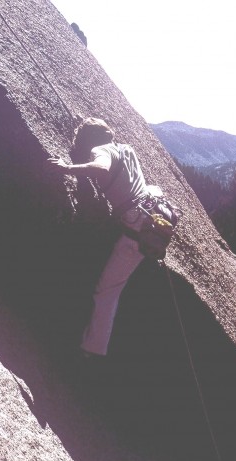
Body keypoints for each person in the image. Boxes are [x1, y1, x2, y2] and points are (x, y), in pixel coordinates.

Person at [48, 117, 157, 357]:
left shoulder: (100, 150)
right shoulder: (127, 149)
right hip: (151, 214)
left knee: (106, 291)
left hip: (135, 228)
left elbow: (101, 167)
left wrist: (67, 168)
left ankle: (92, 350)